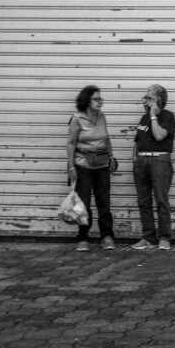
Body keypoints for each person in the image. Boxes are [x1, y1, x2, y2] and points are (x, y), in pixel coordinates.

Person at [66, 85, 116, 252]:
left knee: (104, 202)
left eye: (100, 99)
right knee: (84, 203)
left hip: (101, 164)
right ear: (87, 101)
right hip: (83, 165)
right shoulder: (77, 119)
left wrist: (112, 157)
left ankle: (107, 236)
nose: (100, 102)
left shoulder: (102, 117)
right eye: (96, 99)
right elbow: (71, 143)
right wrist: (71, 167)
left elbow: (106, 139)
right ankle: (83, 237)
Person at [132, 84, 175, 251]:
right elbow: (137, 142)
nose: (146, 101)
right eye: (146, 98)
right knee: (143, 201)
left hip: (159, 162)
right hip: (141, 162)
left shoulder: (168, 117)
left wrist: (153, 115)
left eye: (149, 98)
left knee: (161, 200)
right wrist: (135, 161)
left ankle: (164, 237)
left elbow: (159, 136)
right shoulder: (143, 119)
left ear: (160, 100)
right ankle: (148, 238)